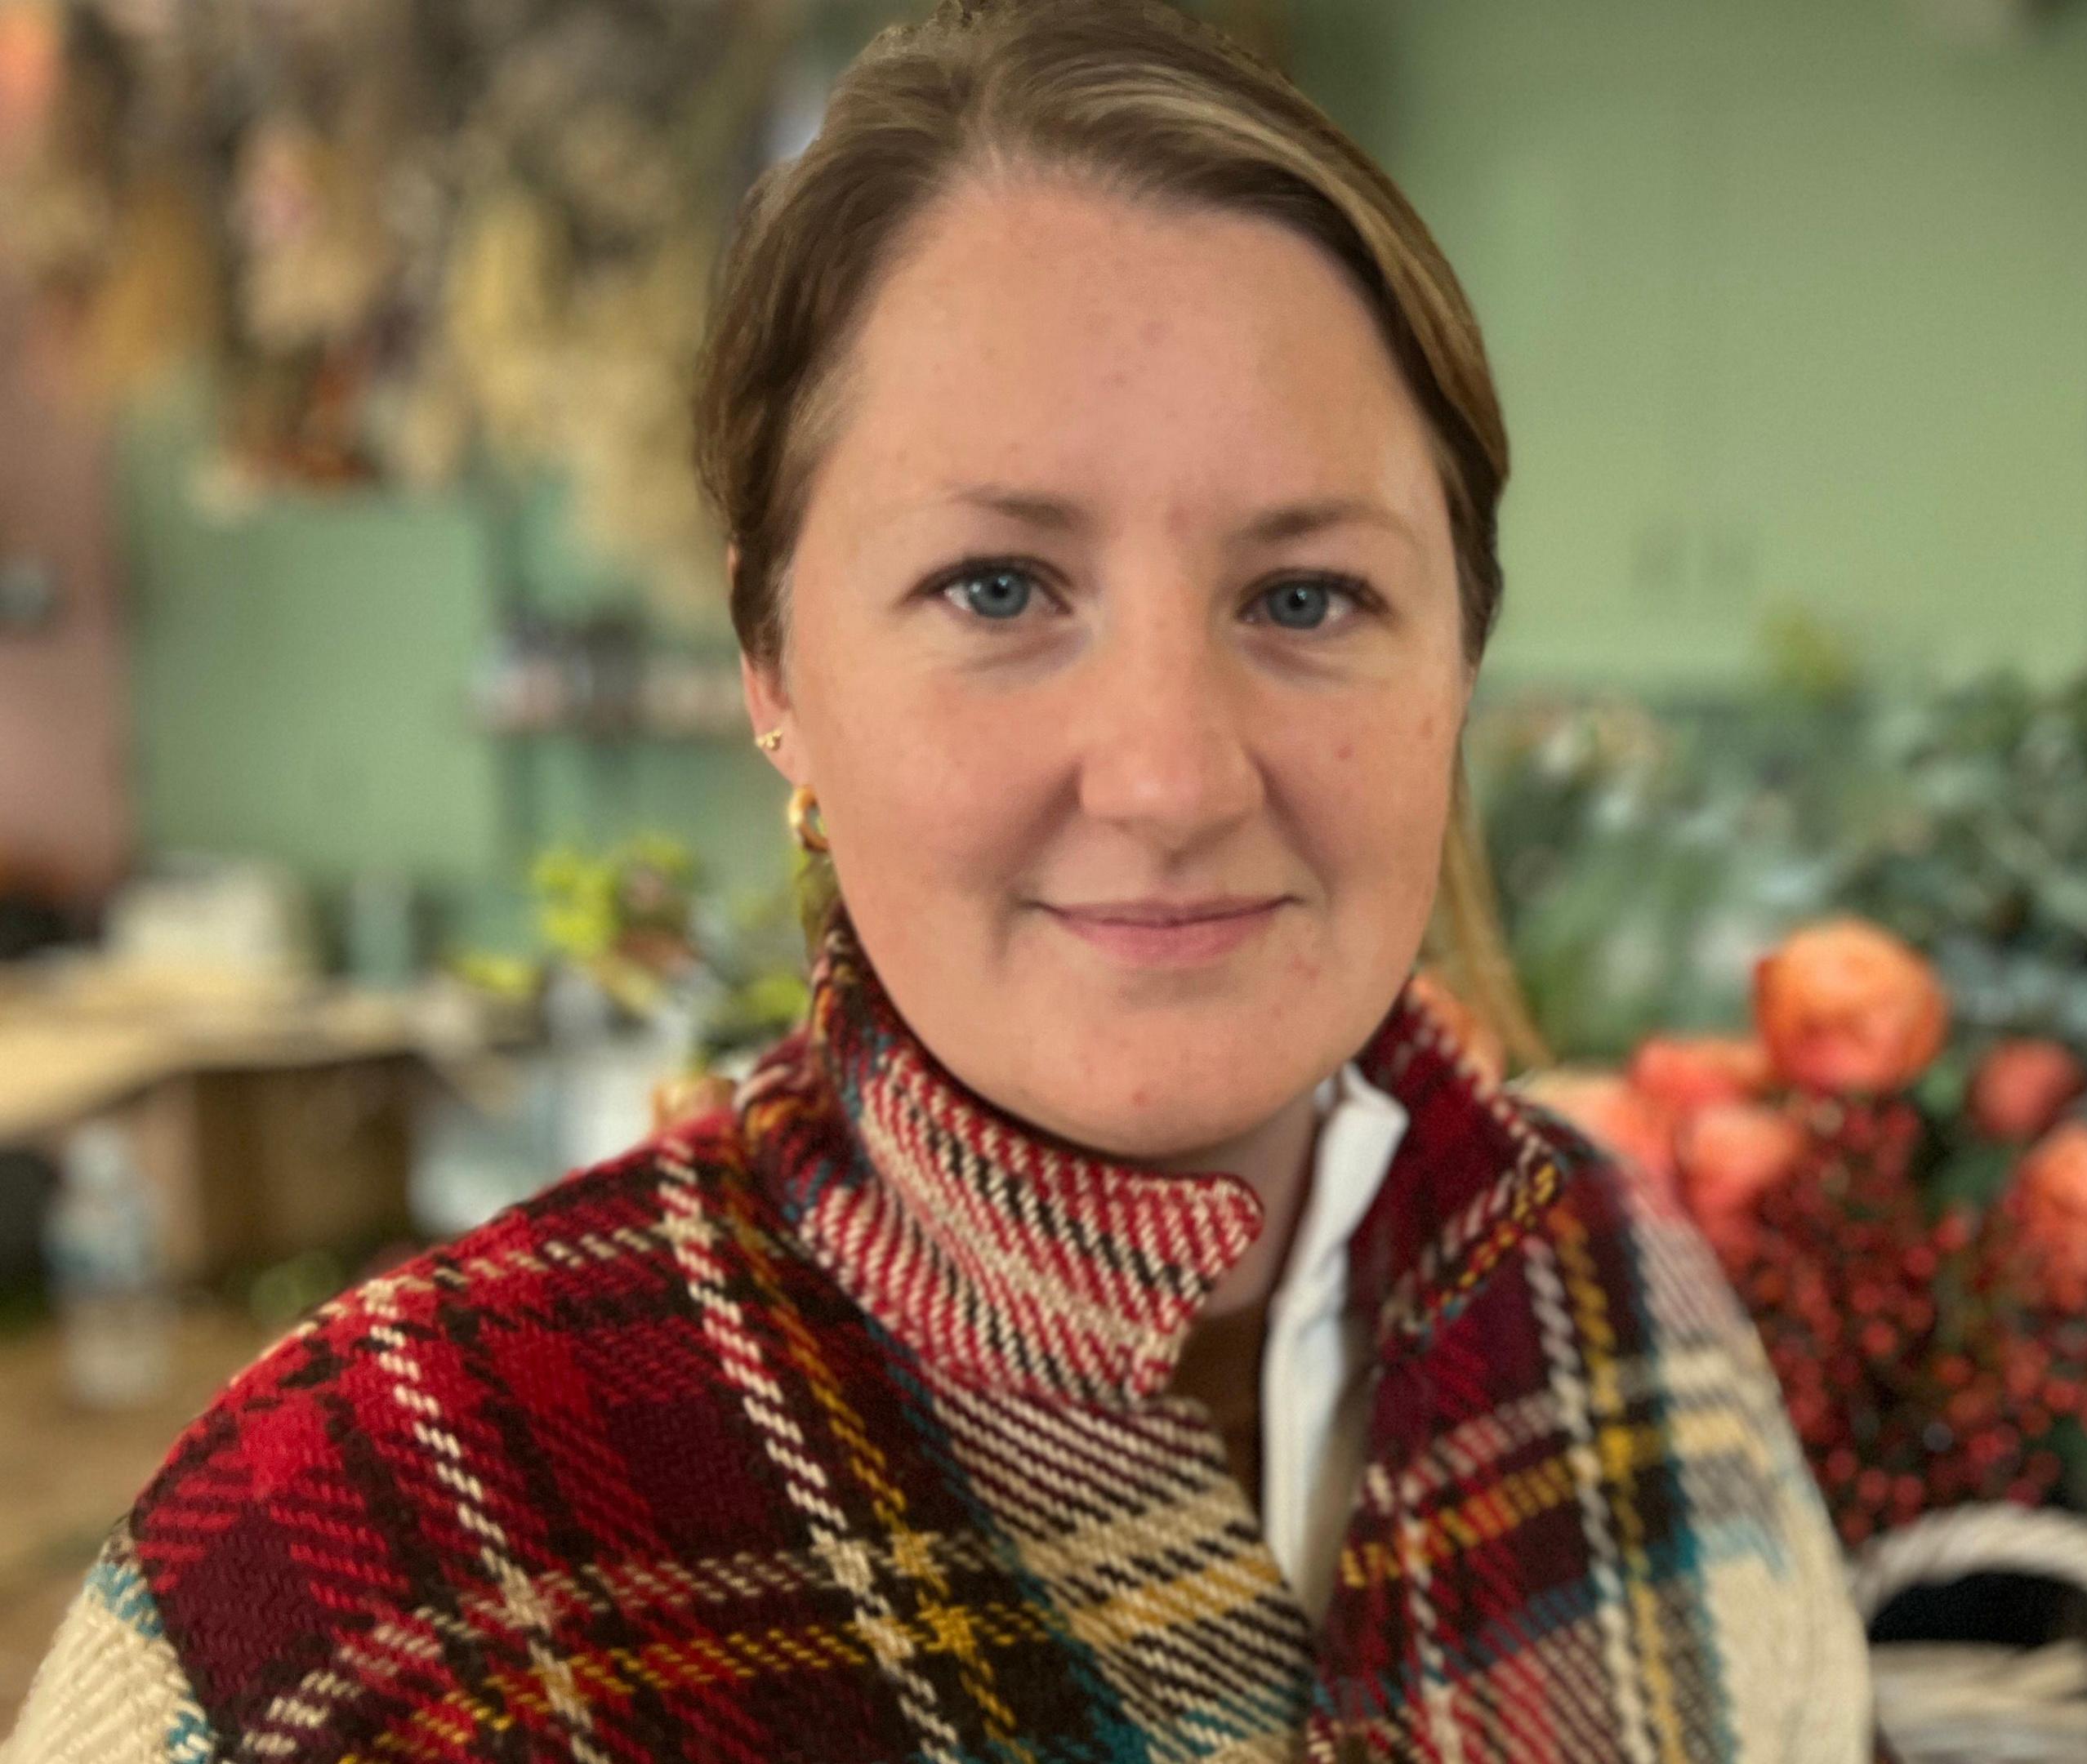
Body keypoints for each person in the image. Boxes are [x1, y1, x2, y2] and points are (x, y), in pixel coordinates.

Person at [2, 2, 1877, 1758]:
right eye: (997, 588)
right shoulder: (350, 1573)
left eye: (1308, 598)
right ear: (774, 670)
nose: (1166, 778)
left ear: (1461, 650)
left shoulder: (1619, 1303)